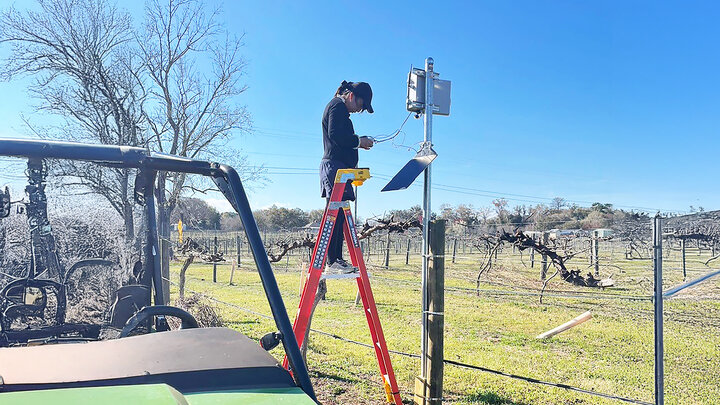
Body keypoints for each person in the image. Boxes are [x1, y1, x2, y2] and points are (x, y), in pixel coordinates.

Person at [320, 80, 375, 273]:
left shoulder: (342, 111)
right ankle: (332, 260)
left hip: (340, 170)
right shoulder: (337, 106)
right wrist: (359, 142)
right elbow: (336, 135)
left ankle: (336, 259)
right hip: (335, 169)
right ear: (351, 96)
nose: (359, 110)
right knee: (335, 216)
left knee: (340, 216)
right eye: (360, 105)